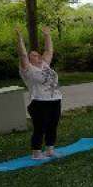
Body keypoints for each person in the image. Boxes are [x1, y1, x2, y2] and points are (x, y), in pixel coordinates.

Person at [15, 25, 63, 160]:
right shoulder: (28, 70)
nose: (38, 56)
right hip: (39, 102)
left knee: (52, 126)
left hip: (55, 100)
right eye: (34, 55)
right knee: (40, 128)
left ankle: (49, 150)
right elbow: (22, 54)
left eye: (38, 54)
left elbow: (49, 50)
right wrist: (19, 38)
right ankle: (36, 153)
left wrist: (47, 35)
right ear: (29, 60)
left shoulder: (45, 65)